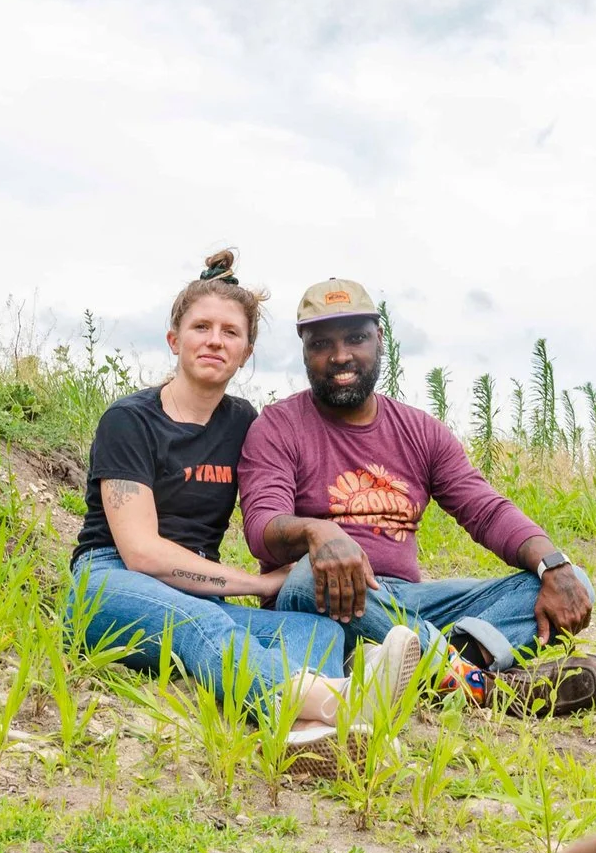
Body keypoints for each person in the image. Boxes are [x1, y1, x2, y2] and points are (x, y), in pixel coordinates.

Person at [66, 252, 420, 733]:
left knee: (312, 628)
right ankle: (345, 700)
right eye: (201, 328)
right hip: (110, 580)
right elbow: (142, 553)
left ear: (247, 351)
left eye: (230, 332)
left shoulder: (243, 424)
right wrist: (256, 584)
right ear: (175, 339)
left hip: (196, 590)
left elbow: (285, 499)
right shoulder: (130, 421)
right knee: (199, 624)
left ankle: (309, 730)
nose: (215, 341)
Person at [239, 277, 596, 717]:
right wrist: (316, 531)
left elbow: (485, 510)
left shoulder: (419, 431)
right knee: (305, 576)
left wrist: (555, 564)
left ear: (379, 339)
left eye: (355, 338)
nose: (340, 356)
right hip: (320, 603)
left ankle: (415, 667)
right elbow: (261, 527)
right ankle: (483, 685)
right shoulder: (278, 426)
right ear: (304, 350)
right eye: (322, 343)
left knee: (564, 579)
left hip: (404, 602)